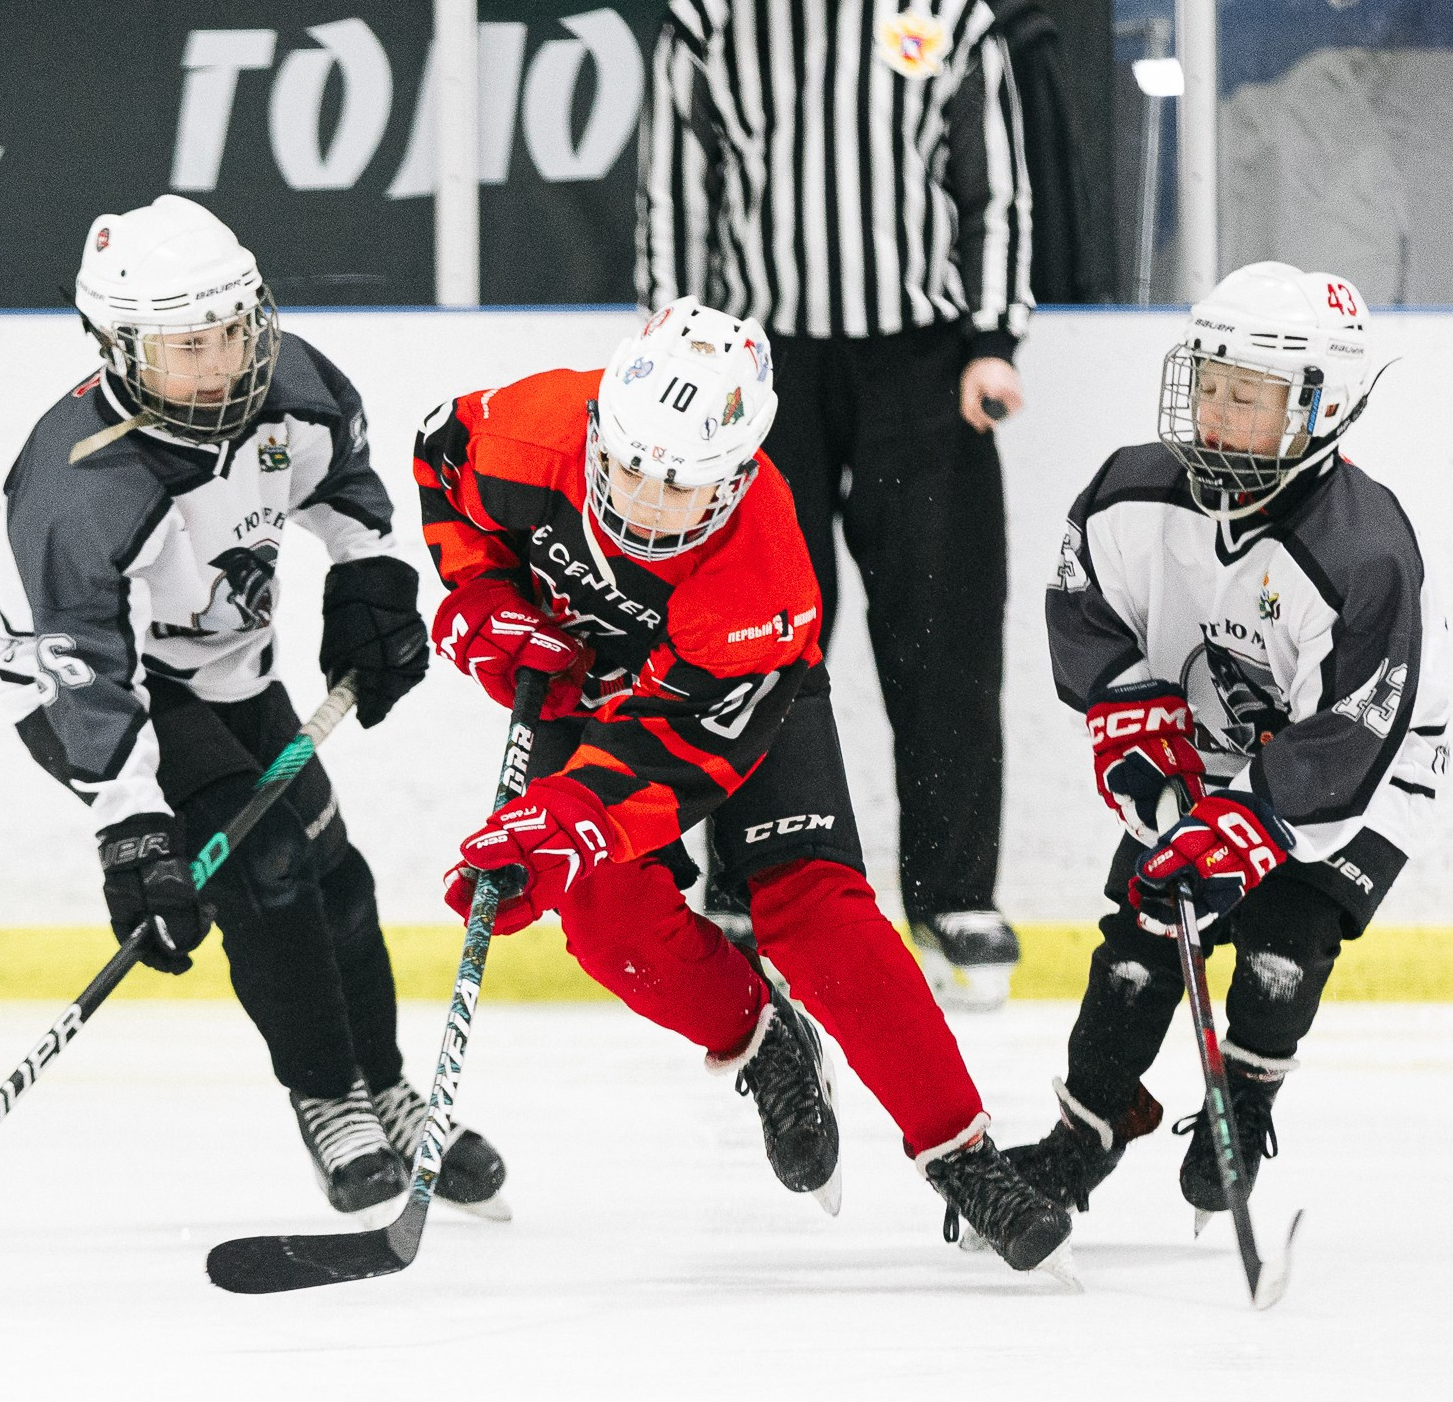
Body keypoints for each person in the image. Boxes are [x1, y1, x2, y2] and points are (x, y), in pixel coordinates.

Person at [416, 296, 1070, 1275]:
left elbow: (677, 760)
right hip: (584, 681)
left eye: (679, 488)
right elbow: (440, 457)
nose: (643, 503)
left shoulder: (762, 572)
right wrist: (482, 597)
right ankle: (762, 1041)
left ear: (737, 474)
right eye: (629, 468)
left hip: (724, 702)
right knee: (608, 924)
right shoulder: (526, 423)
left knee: (818, 915)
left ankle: (965, 1158)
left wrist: (561, 822)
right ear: (600, 423)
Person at [0, 194, 506, 1222]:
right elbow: (84, 661)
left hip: (233, 669)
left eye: (228, 332)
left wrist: (368, 578)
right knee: (264, 873)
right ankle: (330, 1104)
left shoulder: (293, 383)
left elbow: (341, 482)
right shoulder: (76, 485)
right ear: (118, 349)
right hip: (101, 694)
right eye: (182, 348)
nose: (216, 365)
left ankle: (388, 1090)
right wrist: (132, 827)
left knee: (332, 870)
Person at [636, 0, 1034, 1007]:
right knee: (744, 634)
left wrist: (992, 341)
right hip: (764, 377)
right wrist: (682, 348)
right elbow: (676, 194)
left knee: (943, 634)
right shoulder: (708, 13)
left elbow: (991, 192)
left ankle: (954, 893)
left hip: (922, 366)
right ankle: (743, 879)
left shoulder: (946, 12)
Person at [1003, 262, 1449, 1224]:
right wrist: (1133, 723)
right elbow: (1087, 611)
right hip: (1206, 758)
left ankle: (1242, 1099)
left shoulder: (1361, 552)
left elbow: (1347, 738)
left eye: (1247, 398)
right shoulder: (1128, 494)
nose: (1214, 415)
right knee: (1143, 932)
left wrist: (1250, 824)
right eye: (1208, 385)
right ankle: (1085, 1130)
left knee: (1284, 940)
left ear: (1320, 408)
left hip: (1365, 772)